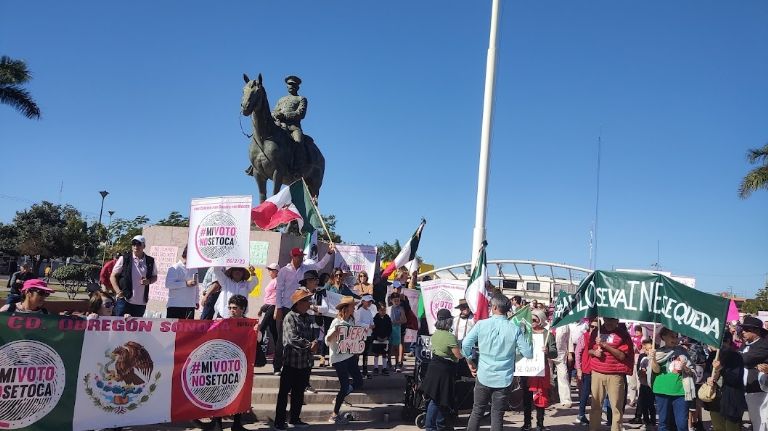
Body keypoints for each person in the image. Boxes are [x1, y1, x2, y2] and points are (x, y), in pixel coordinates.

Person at [463, 293, 533, 431]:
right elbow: (528, 353)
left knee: (477, 411)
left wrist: (470, 361)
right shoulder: (515, 328)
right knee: (497, 415)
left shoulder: (481, 324)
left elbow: (466, 344)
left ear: (494, 307)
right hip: (504, 378)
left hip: (483, 375)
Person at [274, 244, 335, 374]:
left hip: (301, 307)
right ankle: (277, 366)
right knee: (282, 338)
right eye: (299, 256)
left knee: (300, 336)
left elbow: (320, 265)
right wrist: (278, 307)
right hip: (286, 306)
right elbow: (279, 290)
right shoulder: (284, 271)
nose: (301, 258)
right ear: (293, 256)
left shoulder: (306, 268)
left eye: (302, 256)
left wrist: (329, 253)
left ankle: (295, 365)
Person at [273, 289, 317, 431]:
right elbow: (291, 339)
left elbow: (313, 335)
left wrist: (315, 343)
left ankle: (295, 418)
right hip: (291, 362)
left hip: (304, 362)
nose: (309, 303)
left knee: (299, 392)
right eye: (307, 300)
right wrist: (309, 345)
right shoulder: (290, 317)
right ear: (299, 303)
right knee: (284, 393)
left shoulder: (309, 318)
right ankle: (279, 422)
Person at [209, 294, 250, 431]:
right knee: (220, 393)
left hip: (240, 365)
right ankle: (217, 424)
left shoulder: (249, 323)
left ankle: (237, 424)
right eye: (230, 307)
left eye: (235, 308)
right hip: (224, 365)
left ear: (242, 309)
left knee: (239, 394)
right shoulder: (223, 322)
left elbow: (258, 341)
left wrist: (257, 331)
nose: (232, 310)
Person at [587, 317, 633, 431]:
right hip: (597, 373)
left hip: (615, 375)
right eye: (607, 320)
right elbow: (588, 350)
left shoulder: (623, 335)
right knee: (595, 406)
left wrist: (604, 345)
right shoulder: (596, 331)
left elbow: (622, 356)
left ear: (617, 321)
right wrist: (594, 352)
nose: (609, 323)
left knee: (616, 408)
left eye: (612, 320)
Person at [421, 308, 464, 431]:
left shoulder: (435, 334)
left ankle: (438, 425)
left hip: (433, 368)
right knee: (438, 400)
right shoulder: (449, 337)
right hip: (443, 371)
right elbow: (458, 355)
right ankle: (431, 427)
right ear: (449, 321)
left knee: (437, 399)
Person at [325, 296, 364, 424]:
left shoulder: (351, 321)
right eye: (353, 306)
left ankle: (341, 396)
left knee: (358, 381)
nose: (354, 308)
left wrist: (356, 348)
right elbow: (327, 340)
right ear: (346, 308)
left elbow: (352, 339)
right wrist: (334, 333)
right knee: (345, 384)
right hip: (338, 358)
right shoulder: (337, 322)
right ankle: (334, 414)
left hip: (350, 356)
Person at [649, 327, 694, 431]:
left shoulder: (683, 352)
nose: (675, 339)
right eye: (671, 336)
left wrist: (684, 367)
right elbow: (655, 371)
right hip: (661, 391)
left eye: (676, 336)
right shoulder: (658, 352)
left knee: (682, 424)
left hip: (680, 392)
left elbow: (691, 371)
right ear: (663, 337)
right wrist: (653, 358)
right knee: (663, 423)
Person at [521, 308, 558, 431]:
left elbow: (554, 353)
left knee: (540, 397)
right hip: (526, 370)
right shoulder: (525, 332)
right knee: (526, 397)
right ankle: (526, 423)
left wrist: (548, 351)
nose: (532, 322)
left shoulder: (548, 334)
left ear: (541, 320)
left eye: (534, 319)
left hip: (540, 370)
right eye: (530, 319)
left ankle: (540, 424)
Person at [705, 331, 745, 431]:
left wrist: (721, 368)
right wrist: (708, 378)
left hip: (732, 401)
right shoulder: (712, 355)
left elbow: (735, 379)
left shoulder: (736, 357)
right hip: (715, 400)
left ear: (728, 341)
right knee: (718, 427)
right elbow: (706, 372)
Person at [110, 235, 158, 317]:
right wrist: (118, 291)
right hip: (125, 300)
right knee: (119, 325)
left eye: (139, 244)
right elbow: (113, 276)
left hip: (141, 302)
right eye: (134, 244)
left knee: (135, 328)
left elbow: (155, 276)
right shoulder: (124, 258)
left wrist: (149, 281)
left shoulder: (150, 261)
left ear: (144, 246)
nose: (136, 246)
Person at [739, 315, 768, 431]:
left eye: (746, 330)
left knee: (761, 423)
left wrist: (733, 356)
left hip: (758, 390)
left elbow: (746, 359)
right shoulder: (745, 345)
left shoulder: (763, 344)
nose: (743, 332)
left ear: (755, 331)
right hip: (745, 390)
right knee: (755, 421)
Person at [574, 318, 598, 425]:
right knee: (585, 392)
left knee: (597, 393)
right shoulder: (584, 337)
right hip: (587, 369)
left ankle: (595, 415)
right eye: (592, 326)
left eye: (596, 327)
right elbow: (577, 353)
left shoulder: (600, 338)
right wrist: (578, 369)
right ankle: (581, 414)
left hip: (598, 369)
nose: (594, 328)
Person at [258, 263, 280, 373]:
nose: (269, 272)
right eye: (269, 270)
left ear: (276, 271)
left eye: (272, 270)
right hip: (268, 307)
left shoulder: (277, 281)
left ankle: (258, 352)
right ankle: (279, 353)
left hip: (272, 307)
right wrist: (262, 308)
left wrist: (275, 308)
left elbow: (277, 296)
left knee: (261, 329)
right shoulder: (273, 281)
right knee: (273, 332)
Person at [165, 246, 199, 319]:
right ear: (185, 255)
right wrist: (186, 284)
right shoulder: (175, 268)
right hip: (176, 306)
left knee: (187, 330)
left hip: (190, 306)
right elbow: (168, 284)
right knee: (174, 330)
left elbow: (196, 286)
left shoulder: (194, 269)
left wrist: (196, 301)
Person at [272, 75, 307, 144]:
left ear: (298, 87)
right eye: (289, 84)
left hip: (293, 128)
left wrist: (284, 115)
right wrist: (274, 114)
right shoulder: (281, 99)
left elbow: (301, 114)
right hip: (279, 125)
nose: (291, 86)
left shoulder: (301, 99)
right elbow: (274, 111)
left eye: (294, 84)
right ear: (287, 86)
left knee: (298, 144)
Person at [629, 338, 657, 426]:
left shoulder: (654, 358)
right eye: (644, 348)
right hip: (643, 383)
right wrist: (641, 371)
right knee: (642, 402)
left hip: (651, 384)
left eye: (648, 349)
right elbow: (638, 369)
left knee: (651, 404)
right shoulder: (641, 356)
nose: (645, 350)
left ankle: (653, 420)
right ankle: (645, 419)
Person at [354, 294, 376, 378]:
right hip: (361, 335)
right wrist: (368, 325)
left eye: (370, 302)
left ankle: (365, 370)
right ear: (363, 302)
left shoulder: (369, 311)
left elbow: (371, 321)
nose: (369, 303)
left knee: (366, 353)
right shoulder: (359, 311)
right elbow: (357, 322)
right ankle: (355, 370)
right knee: (359, 353)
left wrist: (372, 325)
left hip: (368, 334)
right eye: (368, 301)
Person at [554, 320, 572, 408]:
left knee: (564, 375)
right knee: (547, 376)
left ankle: (566, 399)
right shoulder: (545, 324)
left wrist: (570, 353)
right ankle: (549, 398)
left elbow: (569, 339)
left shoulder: (565, 324)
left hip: (561, 353)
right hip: (547, 353)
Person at [372, 301, 392, 376]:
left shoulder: (387, 318)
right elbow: (373, 329)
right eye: (381, 310)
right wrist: (377, 337)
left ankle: (384, 368)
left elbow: (389, 329)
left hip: (385, 339)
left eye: (384, 310)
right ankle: (376, 367)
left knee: (384, 354)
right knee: (376, 354)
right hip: (377, 339)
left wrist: (386, 337)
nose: (383, 312)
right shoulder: (375, 318)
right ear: (378, 310)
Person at [388, 292, 407, 372]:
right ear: (391, 300)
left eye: (398, 300)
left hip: (397, 328)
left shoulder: (401, 308)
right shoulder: (389, 308)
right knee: (389, 346)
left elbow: (404, 320)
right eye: (395, 300)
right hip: (389, 328)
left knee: (396, 347)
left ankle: (396, 363)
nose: (397, 302)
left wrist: (397, 321)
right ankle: (389, 361)